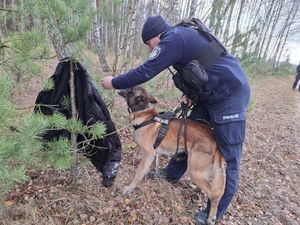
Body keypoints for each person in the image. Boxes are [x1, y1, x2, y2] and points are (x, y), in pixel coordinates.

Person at [101, 15, 250, 225]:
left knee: (229, 158)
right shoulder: (181, 36)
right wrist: (193, 93)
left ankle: (215, 211)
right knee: (183, 133)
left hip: (230, 95)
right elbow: (201, 69)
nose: (149, 49)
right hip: (211, 94)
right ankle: (171, 174)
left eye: (148, 44)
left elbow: (146, 70)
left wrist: (115, 82)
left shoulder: (173, 38)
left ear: (156, 36)